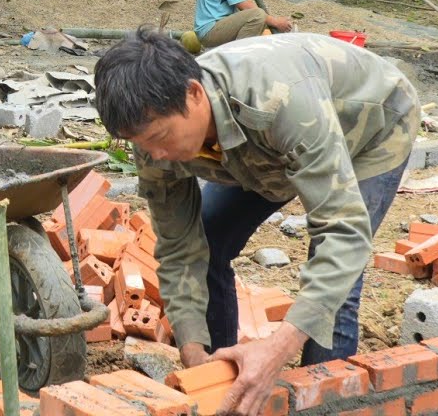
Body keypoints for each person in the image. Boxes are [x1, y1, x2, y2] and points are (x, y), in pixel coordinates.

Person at [93, 28, 419, 416]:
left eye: (160, 137)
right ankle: (228, 383)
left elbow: (343, 235)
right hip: (267, 149)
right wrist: (193, 351)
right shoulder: (152, 137)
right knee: (211, 239)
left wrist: (276, 351)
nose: (156, 154)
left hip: (370, 128)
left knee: (335, 279)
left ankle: (320, 402)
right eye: (144, 144)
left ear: (194, 94)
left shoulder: (279, 102)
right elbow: (180, 246)